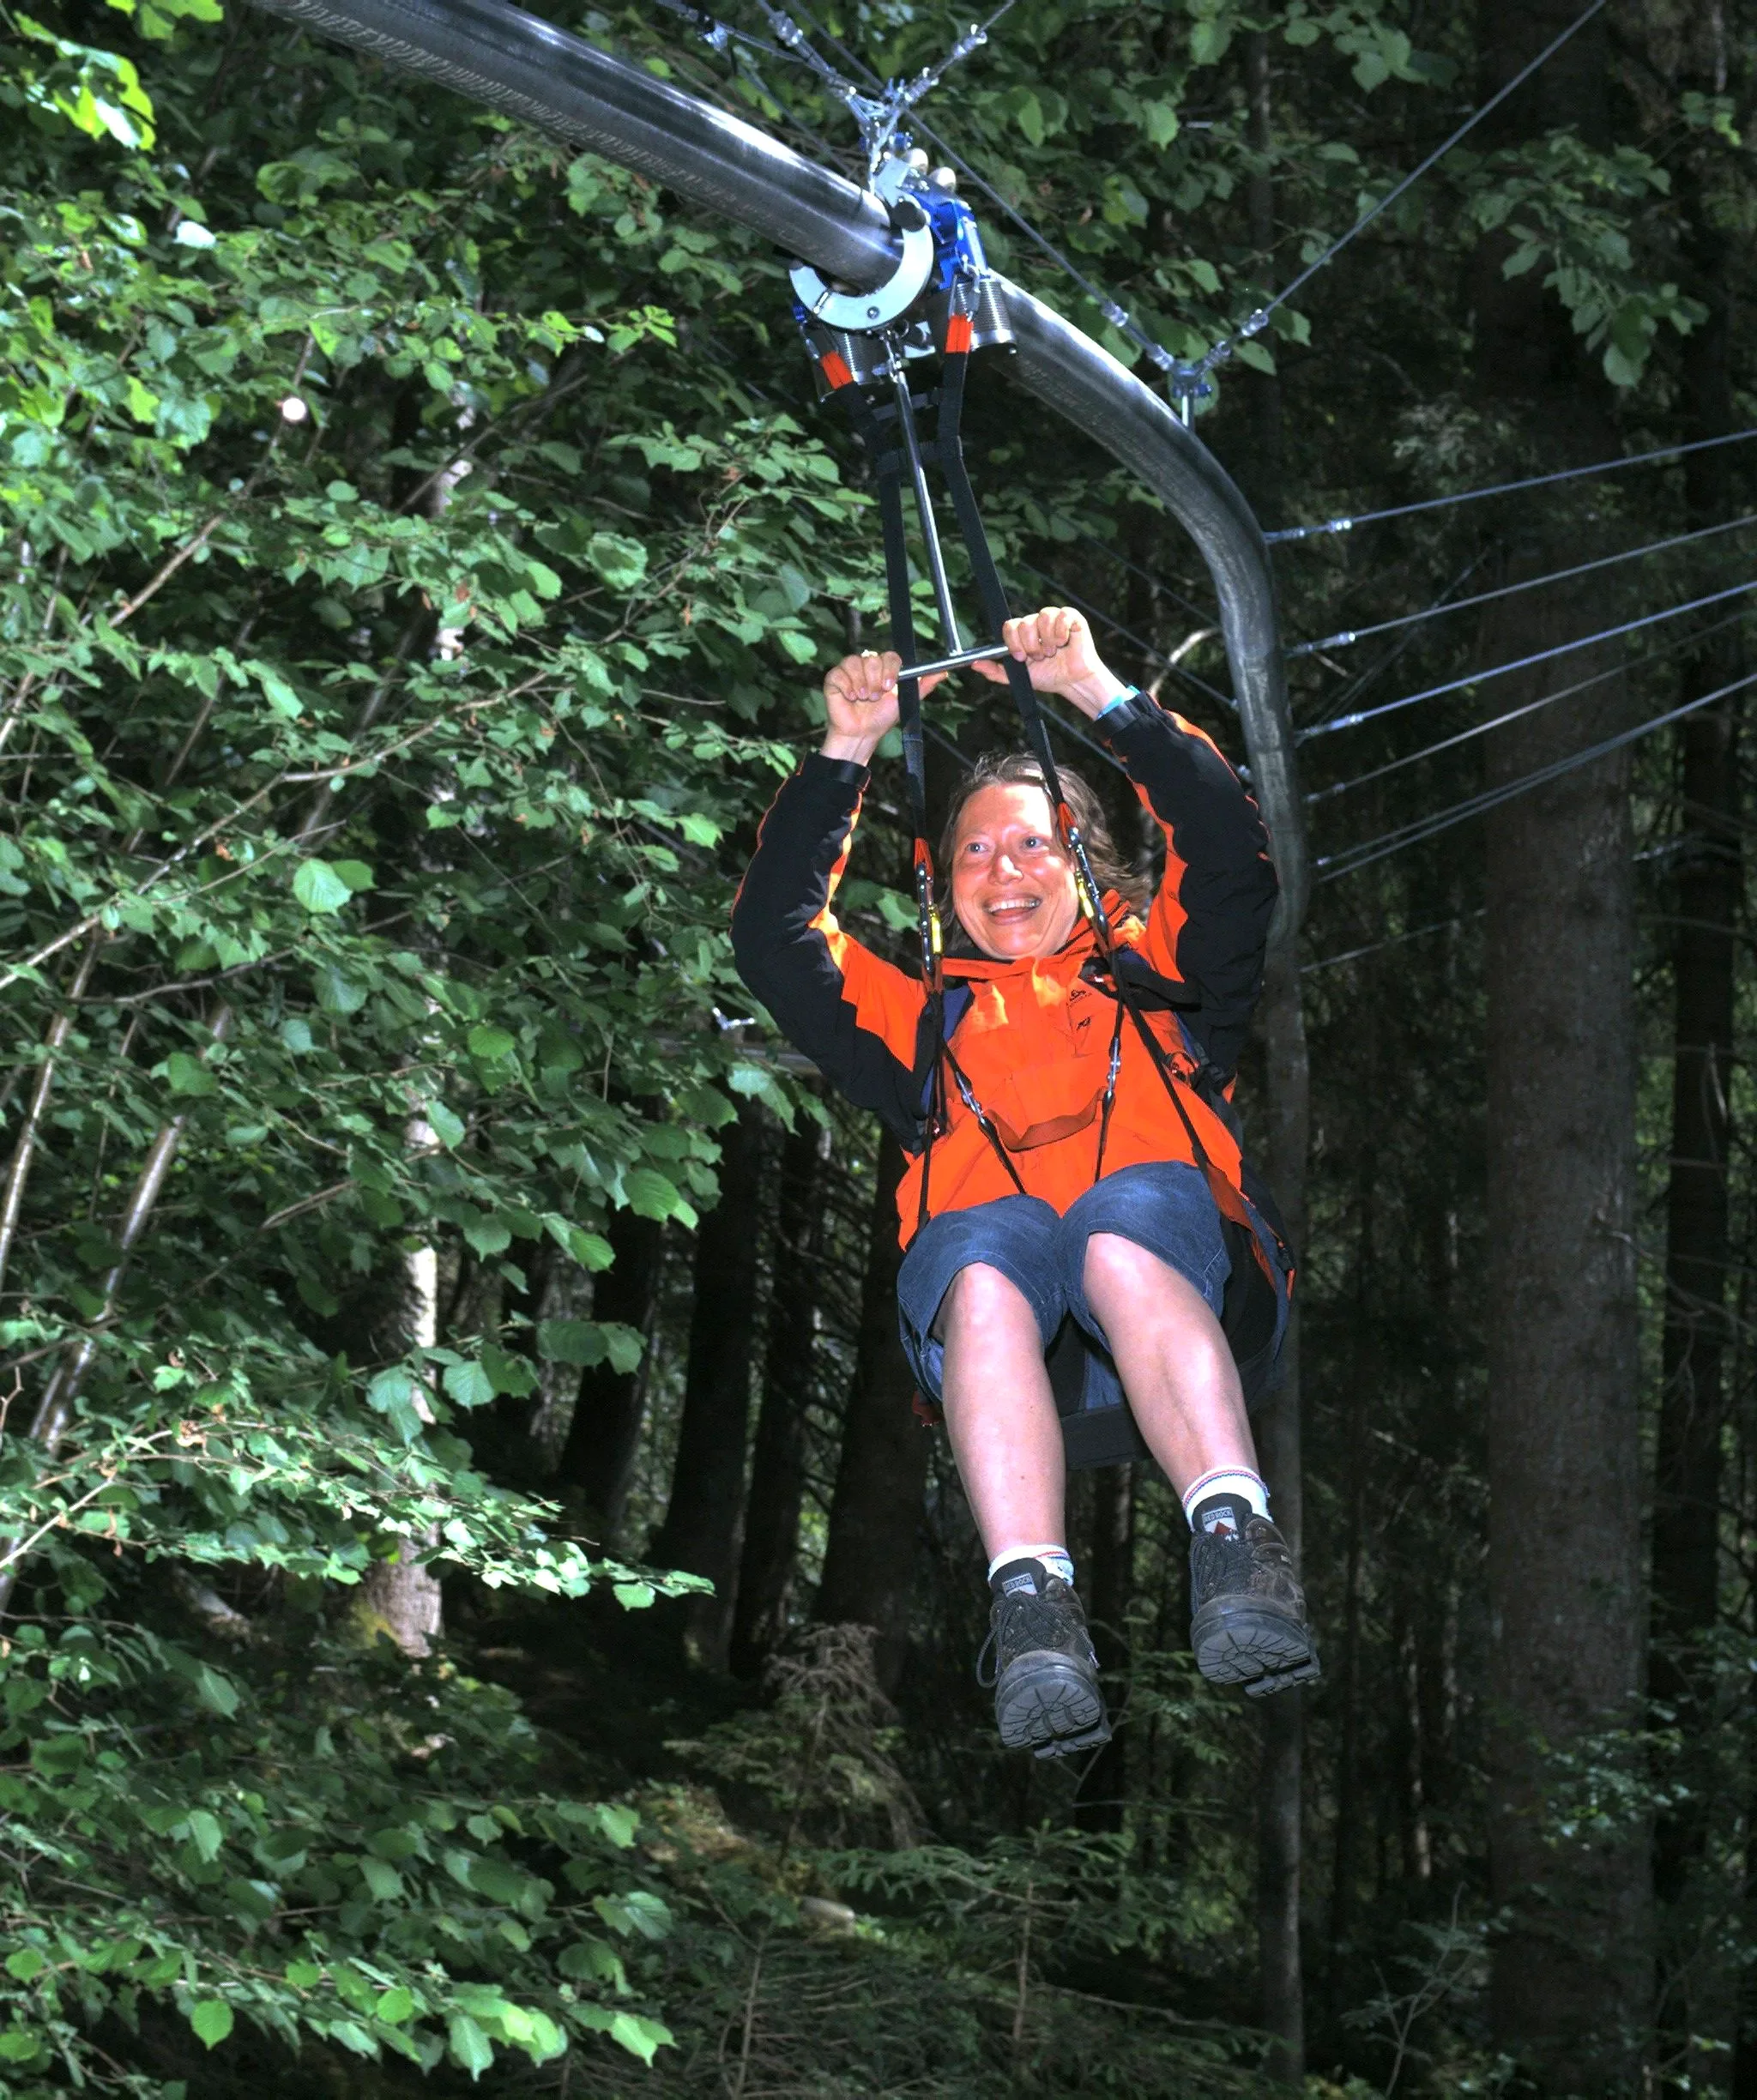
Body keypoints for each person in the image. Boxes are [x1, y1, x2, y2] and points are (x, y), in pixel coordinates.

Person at [731, 606, 1318, 1759]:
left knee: (1111, 1231)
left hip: (1183, 1280)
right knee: (983, 1252)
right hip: (1010, 1341)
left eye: (1035, 845)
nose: (1003, 871)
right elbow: (777, 939)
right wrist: (845, 748)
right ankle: (1033, 1600)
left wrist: (1098, 692)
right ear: (946, 886)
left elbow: (1228, 849)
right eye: (974, 853)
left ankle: (1235, 1536)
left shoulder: (1160, 978)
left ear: (1087, 866)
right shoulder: (922, 1028)